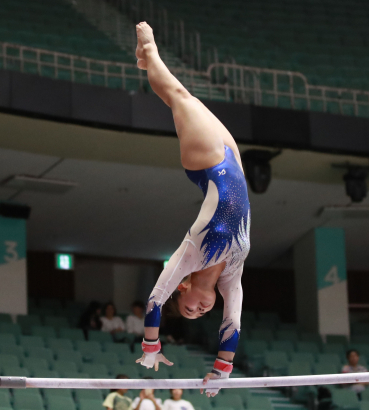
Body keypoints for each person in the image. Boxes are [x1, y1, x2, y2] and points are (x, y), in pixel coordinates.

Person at [133, 21, 251, 398]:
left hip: (207, 163)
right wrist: (222, 369)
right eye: (201, 313)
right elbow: (232, 322)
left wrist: (151, 346)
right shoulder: (231, 276)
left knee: (179, 96)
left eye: (188, 309)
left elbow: (154, 299)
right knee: (185, 98)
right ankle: (147, 61)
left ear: (182, 289)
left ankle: (148, 52)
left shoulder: (188, 259)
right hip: (234, 165)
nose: (199, 310)